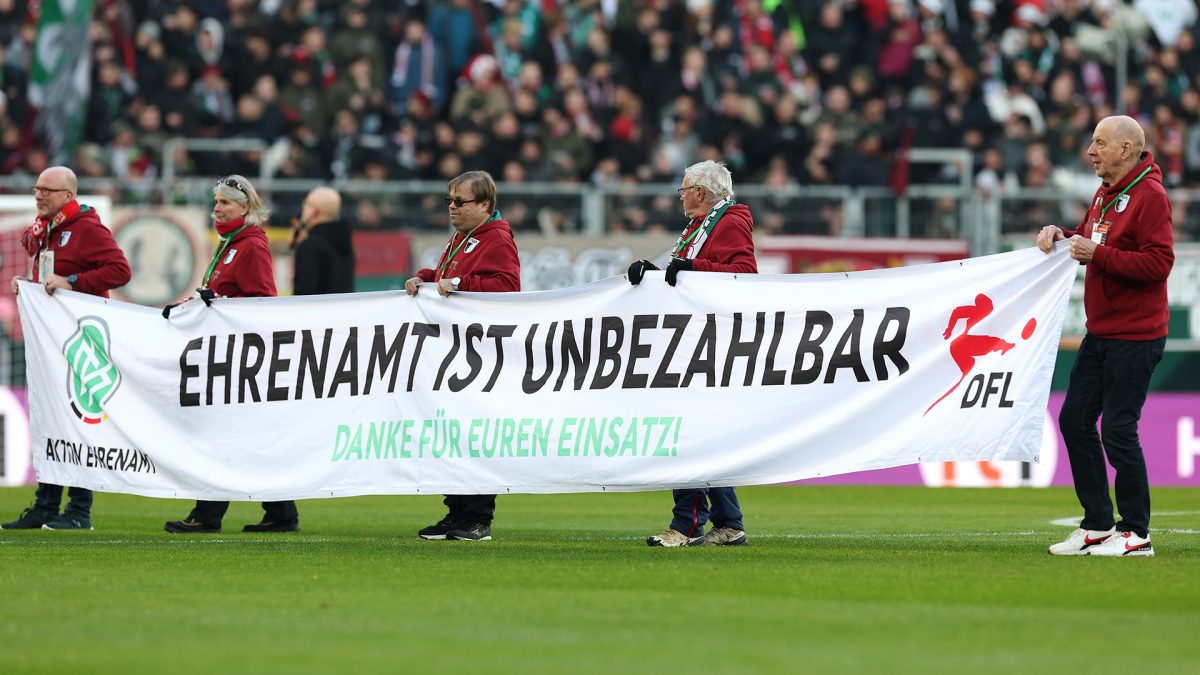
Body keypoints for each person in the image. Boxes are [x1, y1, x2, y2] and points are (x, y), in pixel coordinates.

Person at [1038, 115, 1174, 557]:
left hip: (1135, 336)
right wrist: (1063, 236)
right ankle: (1098, 524)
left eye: (1099, 143)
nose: (1090, 151)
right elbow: (1090, 240)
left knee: (1118, 430)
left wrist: (1099, 253)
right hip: (1102, 332)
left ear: (1127, 149)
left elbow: (1158, 263)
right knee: (1074, 420)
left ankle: (1136, 533)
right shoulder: (1105, 193)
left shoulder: (1149, 196)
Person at [627, 160, 758, 547]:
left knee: (688, 432)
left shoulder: (730, 220)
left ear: (700, 192)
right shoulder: (704, 224)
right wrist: (653, 273)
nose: (680, 195)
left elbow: (744, 272)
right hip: (696, 338)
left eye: (683, 189)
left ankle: (685, 525)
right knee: (702, 434)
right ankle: (729, 523)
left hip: (710, 340)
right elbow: (685, 272)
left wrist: (690, 267)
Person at [162, 175, 302, 534]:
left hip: (240, 356)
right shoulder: (230, 244)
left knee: (221, 435)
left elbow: (263, 301)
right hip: (228, 352)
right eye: (216, 202)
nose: (217, 208)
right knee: (246, 438)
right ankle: (281, 513)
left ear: (245, 208)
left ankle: (208, 515)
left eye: (224, 203)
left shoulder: (250, 245)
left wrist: (222, 303)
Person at [1, 166, 132, 531]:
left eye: (47, 189)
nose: (38, 194)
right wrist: (27, 284)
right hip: (54, 341)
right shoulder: (48, 230)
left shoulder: (87, 228)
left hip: (82, 340)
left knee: (79, 423)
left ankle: (79, 511)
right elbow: (50, 279)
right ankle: (45, 506)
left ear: (68, 196)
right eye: (37, 187)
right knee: (53, 421)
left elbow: (120, 271)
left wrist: (73, 281)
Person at [405, 170, 519, 541]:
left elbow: (507, 286)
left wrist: (459, 284)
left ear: (485, 204)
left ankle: (477, 517)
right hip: (455, 352)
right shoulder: (463, 237)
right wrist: (424, 277)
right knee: (453, 434)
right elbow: (444, 275)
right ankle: (457, 511)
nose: (452, 208)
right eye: (449, 201)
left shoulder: (497, 238)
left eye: (461, 201)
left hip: (480, 353)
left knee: (474, 434)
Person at [291, 186, 355, 295]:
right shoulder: (345, 242)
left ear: (314, 212)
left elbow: (303, 295)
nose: (303, 208)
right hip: (344, 310)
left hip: (318, 311)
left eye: (306, 204)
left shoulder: (309, 247)